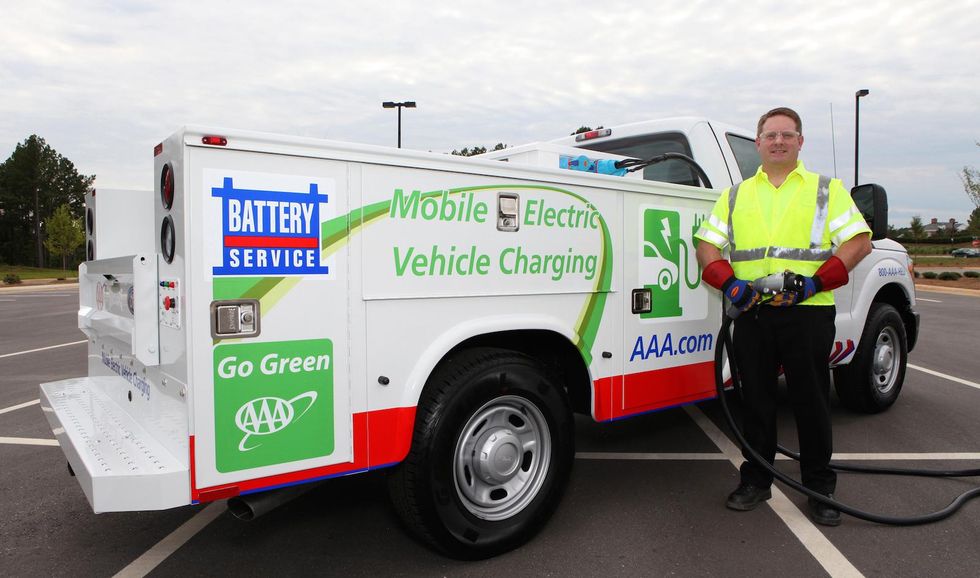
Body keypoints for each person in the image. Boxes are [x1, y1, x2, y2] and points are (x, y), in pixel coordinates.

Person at [694, 107, 872, 526]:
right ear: (758, 142)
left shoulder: (826, 189)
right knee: (755, 401)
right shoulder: (735, 195)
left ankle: (819, 487)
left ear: (800, 142)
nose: (778, 141)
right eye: (770, 135)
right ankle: (756, 481)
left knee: (811, 402)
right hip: (752, 314)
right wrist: (730, 284)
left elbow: (859, 242)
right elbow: (706, 247)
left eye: (787, 135)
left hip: (808, 313)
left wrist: (814, 283)